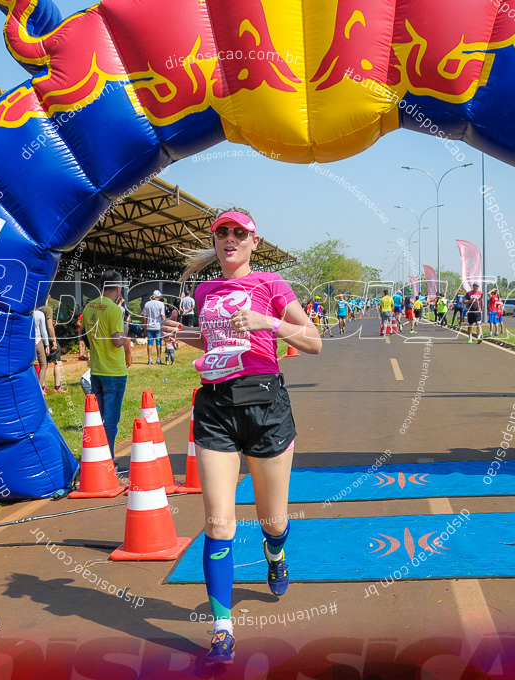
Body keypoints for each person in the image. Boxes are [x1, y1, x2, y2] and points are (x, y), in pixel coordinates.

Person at [162, 209, 321, 666]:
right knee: (218, 524)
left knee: (272, 521)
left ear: (254, 241)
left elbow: (314, 341)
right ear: (215, 241)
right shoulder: (205, 290)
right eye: (222, 232)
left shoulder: (272, 285)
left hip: (266, 407)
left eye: (239, 233)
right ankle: (222, 629)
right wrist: (185, 333)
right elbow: (216, 342)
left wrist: (267, 323)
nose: (229, 239)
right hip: (215, 408)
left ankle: (275, 553)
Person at [82, 271, 133, 452]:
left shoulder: (89, 307)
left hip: (96, 370)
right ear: (118, 288)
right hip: (114, 371)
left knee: (99, 417)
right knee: (111, 421)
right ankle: (109, 460)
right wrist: (127, 328)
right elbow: (117, 341)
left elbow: (84, 336)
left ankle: (97, 455)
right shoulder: (113, 309)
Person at [42, 295, 64, 392]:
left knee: (43, 364)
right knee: (57, 363)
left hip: (39, 340)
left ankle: (42, 386)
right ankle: (57, 387)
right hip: (49, 340)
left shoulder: (34, 309)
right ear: (49, 296)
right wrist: (54, 340)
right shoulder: (48, 309)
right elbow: (50, 327)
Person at [143, 290, 167, 364]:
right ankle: (158, 359)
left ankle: (150, 359)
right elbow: (162, 316)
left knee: (150, 343)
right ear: (158, 297)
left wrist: (145, 326)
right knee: (158, 343)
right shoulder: (161, 304)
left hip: (149, 326)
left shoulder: (147, 304)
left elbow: (144, 316)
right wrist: (166, 324)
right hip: (158, 326)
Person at [32, 306, 50, 391]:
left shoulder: (27, 313)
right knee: (43, 364)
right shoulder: (40, 314)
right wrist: (47, 344)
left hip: (27, 341)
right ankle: (40, 387)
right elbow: (43, 331)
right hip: (38, 340)